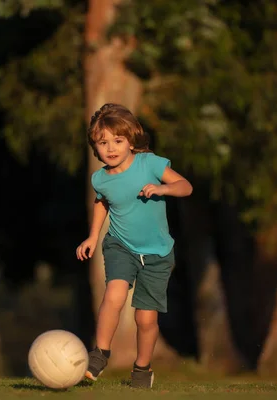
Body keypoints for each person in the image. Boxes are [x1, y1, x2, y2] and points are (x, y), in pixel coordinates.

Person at [76, 103, 193, 388]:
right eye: (103, 143)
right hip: (120, 244)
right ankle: (100, 353)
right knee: (114, 294)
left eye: (118, 140)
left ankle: (142, 370)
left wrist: (163, 188)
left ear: (131, 140)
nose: (111, 148)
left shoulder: (150, 164)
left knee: (145, 318)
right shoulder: (100, 178)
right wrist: (93, 236)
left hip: (158, 253)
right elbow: (102, 202)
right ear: (95, 146)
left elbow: (185, 187)